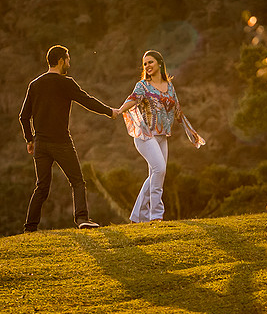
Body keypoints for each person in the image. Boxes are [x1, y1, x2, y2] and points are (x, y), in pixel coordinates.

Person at [18, 45, 120, 232]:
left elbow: (23, 116)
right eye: (68, 59)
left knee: (41, 187)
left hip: (40, 143)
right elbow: (87, 101)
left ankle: (30, 227)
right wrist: (110, 112)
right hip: (61, 142)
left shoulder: (35, 84)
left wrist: (30, 140)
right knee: (77, 181)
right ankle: (82, 219)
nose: (69, 63)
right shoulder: (66, 83)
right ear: (60, 61)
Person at [115, 50, 205, 223]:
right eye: (145, 64)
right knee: (160, 170)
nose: (147, 66)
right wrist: (118, 111)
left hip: (162, 136)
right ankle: (155, 216)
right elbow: (132, 99)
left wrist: (190, 131)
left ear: (160, 63)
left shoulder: (169, 86)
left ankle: (137, 216)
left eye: (150, 62)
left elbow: (177, 111)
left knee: (156, 174)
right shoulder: (142, 86)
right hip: (145, 135)